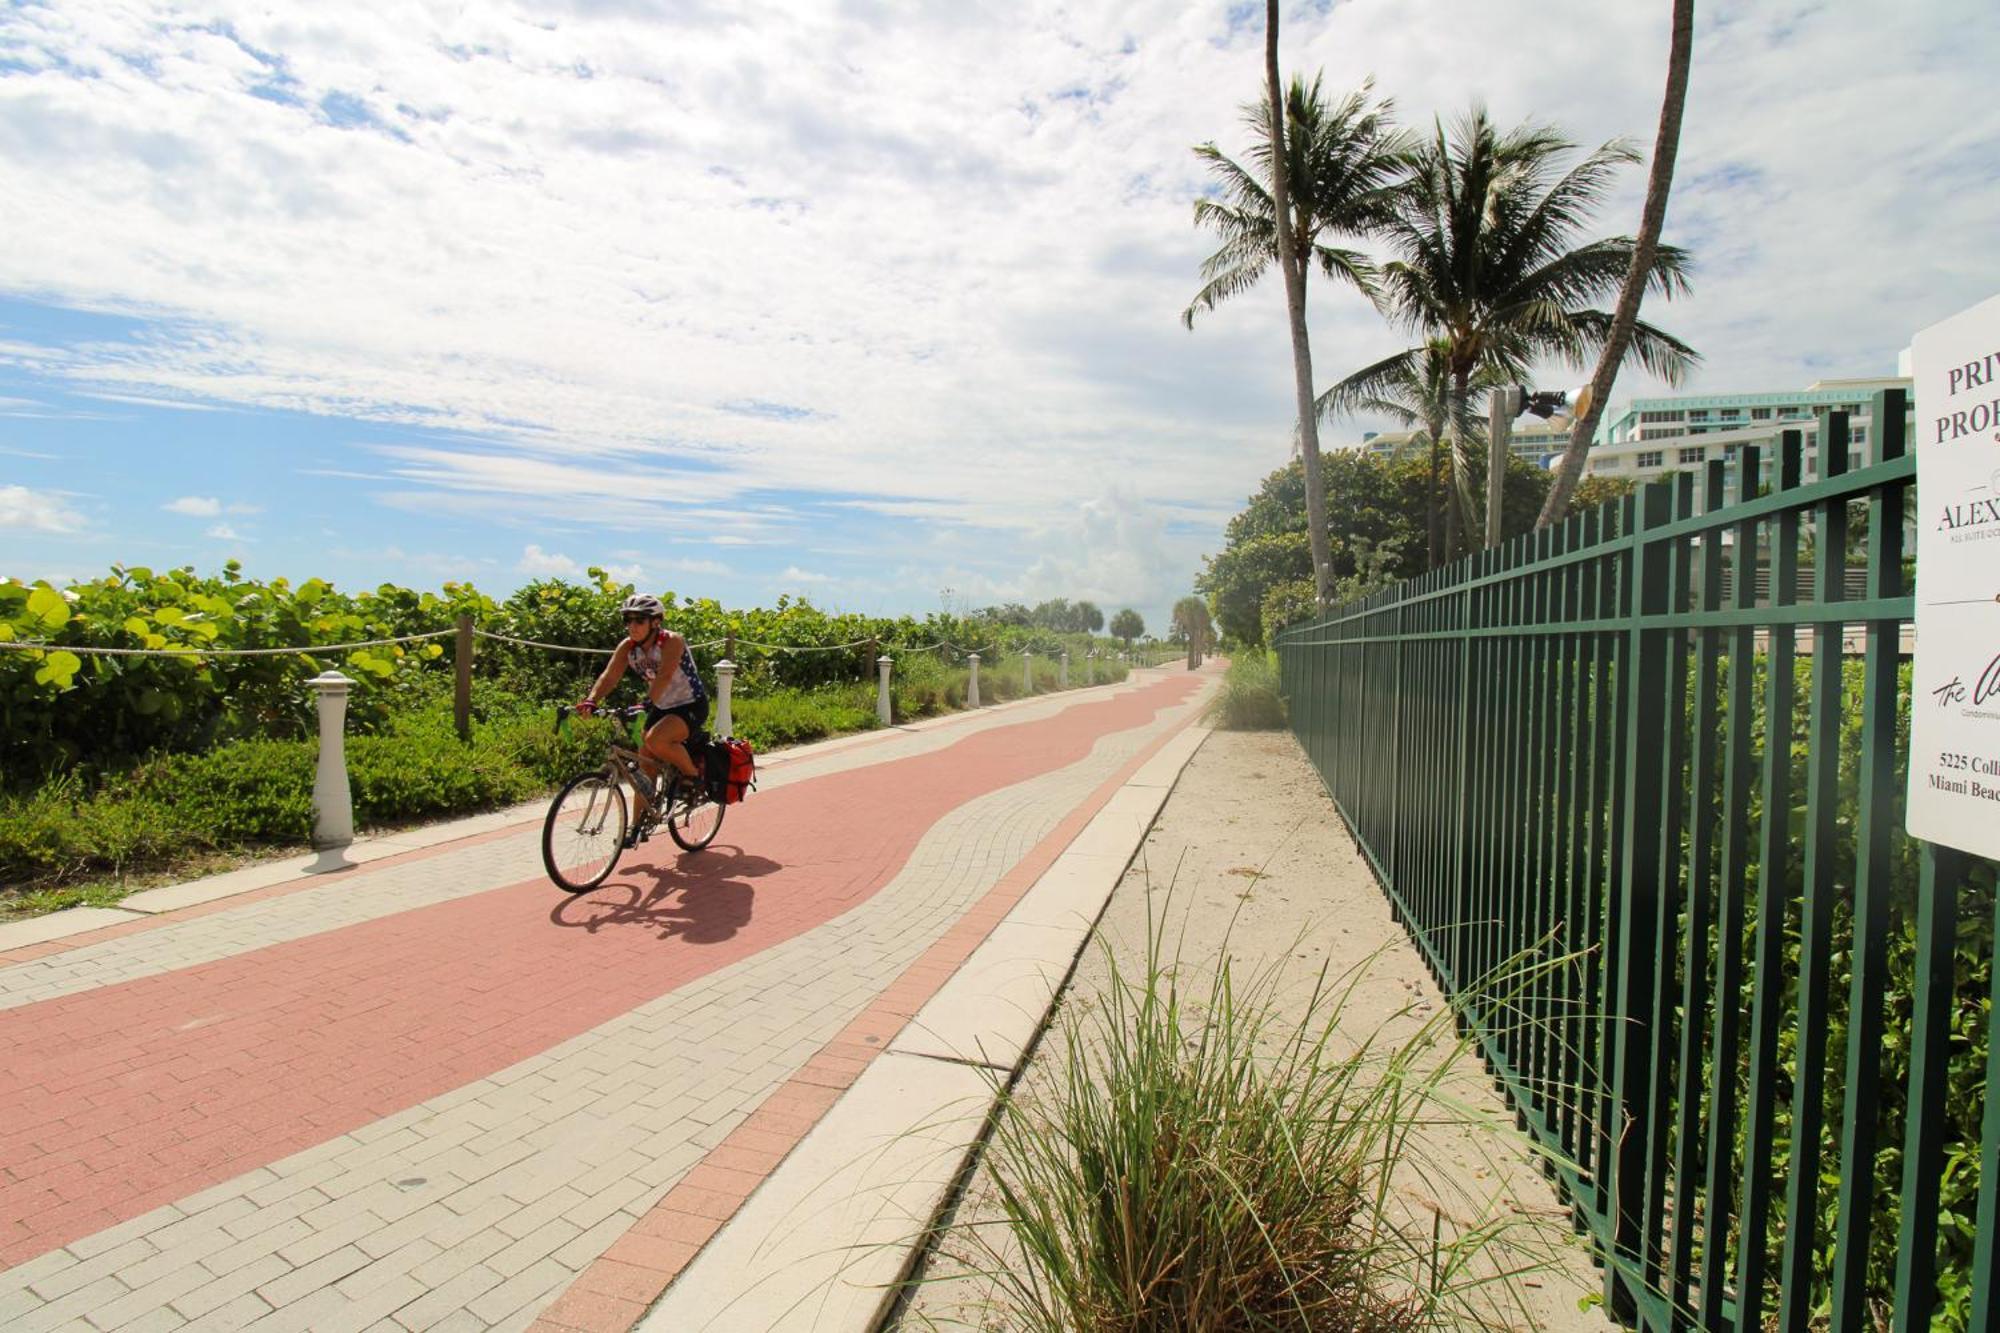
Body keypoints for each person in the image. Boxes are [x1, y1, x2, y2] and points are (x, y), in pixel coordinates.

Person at [576, 594, 709, 823]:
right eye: (627, 620)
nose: (632, 626)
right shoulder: (628, 647)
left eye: (639, 620)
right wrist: (592, 700)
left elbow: (665, 675)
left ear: (655, 622)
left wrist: (646, 704)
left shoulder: (672, 641)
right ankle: (636, 826)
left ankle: (692, 776)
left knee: (655, 739)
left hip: (690, 704)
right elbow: (609, 677)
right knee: (644, 766)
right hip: (661, 705)